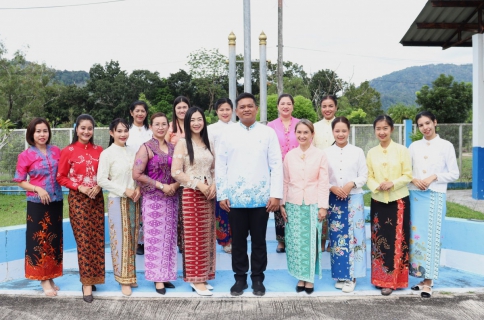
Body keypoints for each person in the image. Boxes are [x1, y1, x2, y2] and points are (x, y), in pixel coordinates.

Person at [216, 92, 283, 297]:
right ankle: (240, 278)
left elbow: (276, 164)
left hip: (261, 199)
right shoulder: (227, 134)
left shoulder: (267, 133)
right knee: (237, 241)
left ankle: (257, 278)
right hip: (234, 199)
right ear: (236, 111)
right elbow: (220, 164)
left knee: (259, 240)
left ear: (256, 109)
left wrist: (275, 194)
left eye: (250, 106)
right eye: (242, 106)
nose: (246, 109)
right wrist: (222, 194)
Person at [408, 111, 459, 298]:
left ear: (435, 122)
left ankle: (429, 281)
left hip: (435, 195)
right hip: (415, 195)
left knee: (432, 238)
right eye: (421, 125)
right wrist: (414, 179)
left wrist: (434, 177)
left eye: (428, 123)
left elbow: (454, 174)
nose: (425, 127)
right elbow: (407, 169)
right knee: (417, 238)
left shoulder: (446, 146)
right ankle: (421, 277)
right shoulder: (413, 146)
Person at [14, 118, 64, 297]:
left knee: (54, 240)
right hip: (37, 204)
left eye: (45, 131)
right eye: (38, 131)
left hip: (56, 201)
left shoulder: (56, 151)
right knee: (39, 241)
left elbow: (65, 172)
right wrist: (37, 188)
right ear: (31, 134)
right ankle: (43, 279)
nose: (42, 134)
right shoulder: (25, 155)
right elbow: (19, 180)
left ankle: (50, 276)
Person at [57, 114, 104, 303]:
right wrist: (80, 187)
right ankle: (86, 283)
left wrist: (99, 186)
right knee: (84, 241)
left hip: (97, 198)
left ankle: (95, 278)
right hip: (78, 199)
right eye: (82, 128)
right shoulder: (68, 150)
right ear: (76, 129)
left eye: (90, 128)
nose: (86, 131)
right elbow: (61, 177)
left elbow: (104, 174)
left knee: (97, 240)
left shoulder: (100, 150)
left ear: (93, 130)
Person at [280, 119, 329, 294]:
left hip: (312, 203)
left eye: (306, 132)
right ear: (295, 134)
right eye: (299, 132)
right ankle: (300, 277)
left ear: (312, 134)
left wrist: (323, 206)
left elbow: (324, 182)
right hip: (293, 203)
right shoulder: (289, 155)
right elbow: (285, 181)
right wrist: (282, 204)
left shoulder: (320, 155)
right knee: (295, 243)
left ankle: (310, 279)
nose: (302, 136)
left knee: (311, 241)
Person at [132, 112, 179, 295]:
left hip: (172, 199)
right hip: (153, 200)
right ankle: (157, 278)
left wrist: (174, 185)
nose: (160, 127)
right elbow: (137, 174)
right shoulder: (146, 148)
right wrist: (161, 185)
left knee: (168, 239)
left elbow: (180, 171)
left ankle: (166, 275)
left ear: (168, 126)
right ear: (151, 127)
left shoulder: (174, 148)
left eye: (164, 124)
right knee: (155, 240)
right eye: (157, 124)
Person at [172, 106, 216, 296]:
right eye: (192, 120)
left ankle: (204, 275)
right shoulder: (183, 143)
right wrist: (198, 184)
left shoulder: (208, 142)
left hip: (209, 194)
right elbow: (176, 172)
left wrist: (213, 184)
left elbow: (213, 168)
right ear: (187, 122)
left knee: (206, 236)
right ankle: (195, 280)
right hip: (192, 194)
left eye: (199, 119)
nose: (196, 123)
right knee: (193, 237)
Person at [366, 115, 412, 296]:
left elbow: (408, 175)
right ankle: (380, 278)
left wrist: (392, 183)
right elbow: (368, 175)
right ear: (374, 130)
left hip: (398, 200)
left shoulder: (402, 150)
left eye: (385, 128)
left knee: (397, 240)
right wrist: (376, 186)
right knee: (379, 241)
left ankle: (393, 281)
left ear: (392, 129)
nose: (382, 132)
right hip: (378, 201)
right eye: (378, 128)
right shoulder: (371, 152)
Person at [97, 118, 141, 296]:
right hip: (117, 200)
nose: (123, 134)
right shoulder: (107, 154)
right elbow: (101, 180)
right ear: (111, 133)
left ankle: (131, 276)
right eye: (119, 131)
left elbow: (139, 173)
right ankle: (123, 280)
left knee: (132, 239)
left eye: (125, 130)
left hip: (135, 199)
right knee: (120, 241)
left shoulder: (134, 151)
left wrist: (137, 188)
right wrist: (125, 191)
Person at [325, 117, 368, 293]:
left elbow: (364, 176)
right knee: (337, 238)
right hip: (334, 200)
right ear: (333, 132)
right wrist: (332, 187)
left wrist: (351, 184)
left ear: (349, 131)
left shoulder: (357, 152)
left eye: (344, 131)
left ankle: (353, 277)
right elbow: (322, 177)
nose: (340, 134)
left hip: (354, 199)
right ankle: (341, 275)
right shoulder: (325, 153)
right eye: (337, 131)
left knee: (355, 236)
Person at [267, 94, 300, 254]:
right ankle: (281, 241)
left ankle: (294, 238)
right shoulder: (270, 126)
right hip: (277, 170)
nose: (285, 106)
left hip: (297, 170)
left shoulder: (300, 124)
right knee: (279, 202)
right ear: (278, 106)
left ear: (293, 106)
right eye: (282, 104)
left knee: (294, 203)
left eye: (288, 103)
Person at [207, 98, 235, 254]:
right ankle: (225, 241)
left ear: (232, 110)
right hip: (218, 171)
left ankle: (236, 238)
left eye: (227, 109)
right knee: (221, 208)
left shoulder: (238, 128)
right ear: (216, 111)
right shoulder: (211, 129)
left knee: (235, 207)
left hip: (235, 172)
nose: (225, 112)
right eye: (221, 109)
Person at [127, 100, 153, 256]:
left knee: (146, 210)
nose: (140, 114)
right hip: (129, 175)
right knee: (132, 209)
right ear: (131, 113)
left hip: (148, 175)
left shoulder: (150, 132)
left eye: (143, 111)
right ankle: (134, 241)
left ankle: (145, 241)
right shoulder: (126, 131)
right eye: (137, 111)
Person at [165, 96, 190, 253]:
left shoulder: (194, 124)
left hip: (192, 173)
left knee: (188, 209)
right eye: (179, 107)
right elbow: (164, 148)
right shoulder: (170, 128)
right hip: (174, 173)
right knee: (175, 208)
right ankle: (177, 241)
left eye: (184, 107)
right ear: (175, 110)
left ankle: (188, 242)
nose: (182, 110)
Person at [313, 95, 338, 252]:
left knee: (335, 209)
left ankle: (332, 242)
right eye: (324, 106)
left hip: (337, 174)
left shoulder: (341, 124)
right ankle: (321, 243)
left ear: (336, 107)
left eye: (330, 106)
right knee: (321, 208)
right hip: (319, 173)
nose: (327, 109)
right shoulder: (314, 127)